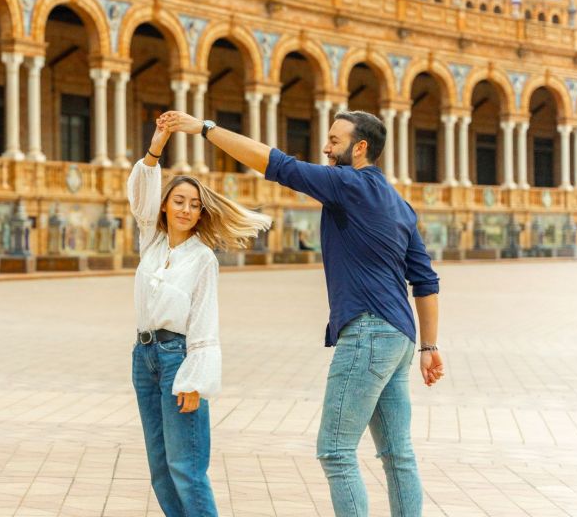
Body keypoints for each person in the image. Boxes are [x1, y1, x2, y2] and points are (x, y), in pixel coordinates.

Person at [160, 109, 444, 517]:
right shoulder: (400, 205)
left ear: (360, 148)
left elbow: (276, 164)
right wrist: (430, 345)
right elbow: (425, 280)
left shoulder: (349, 183)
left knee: (336, 451)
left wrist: (205, 129)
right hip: (401, 337)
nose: (326, 148)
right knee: (398, 454)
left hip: (367, 333)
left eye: (334, 140)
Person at [128, 120, 270, 517]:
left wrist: (194, 380)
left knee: (186, 468)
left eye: (194, 203)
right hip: (144, 358)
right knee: (160, 469)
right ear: (164, 205)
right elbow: (140, 195)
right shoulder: (151, 242)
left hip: (178, 360)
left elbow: (205, 324)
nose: (186, 209)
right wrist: (156, 146)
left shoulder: (202, 258)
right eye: (179, 201)